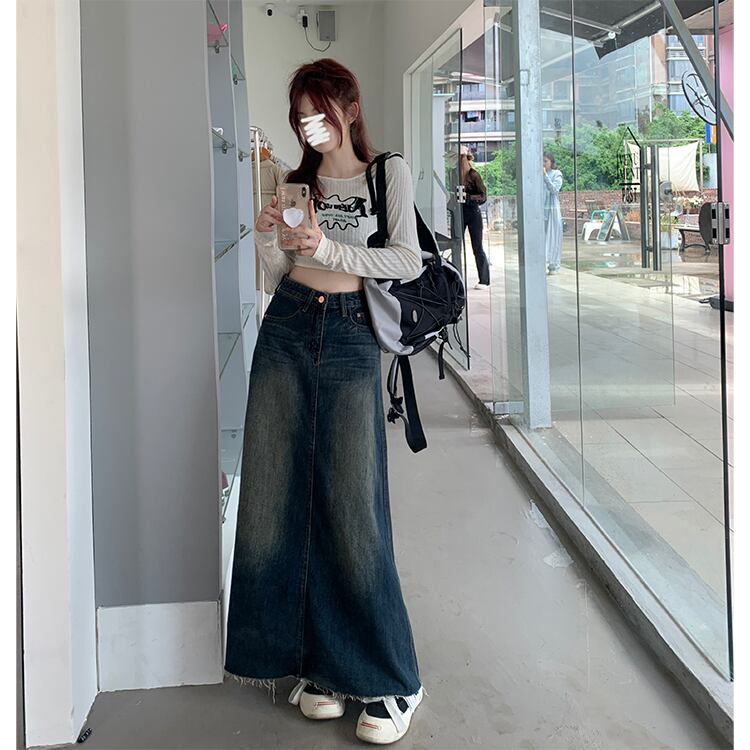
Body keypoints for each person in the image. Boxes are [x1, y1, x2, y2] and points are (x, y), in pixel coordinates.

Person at [224, 58, 425, 745]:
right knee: (278, 496)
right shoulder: (295, 181)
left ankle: (393, 678)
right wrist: (270, 236)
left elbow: (406, 259)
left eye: (320, 112)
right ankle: (320, 665)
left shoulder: (386, 173)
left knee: (353, 502)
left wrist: (329, 248)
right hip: (286, 325)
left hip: (348, 335)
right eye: (301, 116)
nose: (310, 125)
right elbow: (280, 272)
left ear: (350, 108)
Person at [460, 146, 491, 289]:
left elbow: (483, 196)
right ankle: (456, 278)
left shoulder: (474, 175)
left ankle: (484, 280)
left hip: (473, 212)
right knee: (456, 246)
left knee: (477, 247)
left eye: (462, 158)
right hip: (460, 213)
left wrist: (469, 197)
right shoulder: (454, 174)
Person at [543, 152, 563, 274]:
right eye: (542, 161)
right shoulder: (538, 175)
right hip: (541, 210)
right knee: (543, 237)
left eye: (545, 161)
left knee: (553, 237)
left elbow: (555, 190)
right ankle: (542, 262)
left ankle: (553, 265)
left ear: (551, 162)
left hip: (552, 210)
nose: (543, 164)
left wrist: (545, 177)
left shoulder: (557, 174)